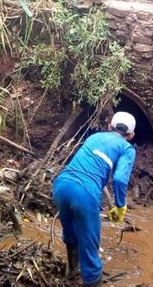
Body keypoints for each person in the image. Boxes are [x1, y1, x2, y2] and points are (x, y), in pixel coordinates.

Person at [52, 111, 137, 287]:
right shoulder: (127, 148)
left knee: (71, 234)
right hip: (83, 193)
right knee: (90, 249)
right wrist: (120, 206)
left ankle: (70, 273)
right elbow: (120, 179)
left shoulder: (96, 137)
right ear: (131, 135)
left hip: (61, 185)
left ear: (109, 127)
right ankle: (91, 281)